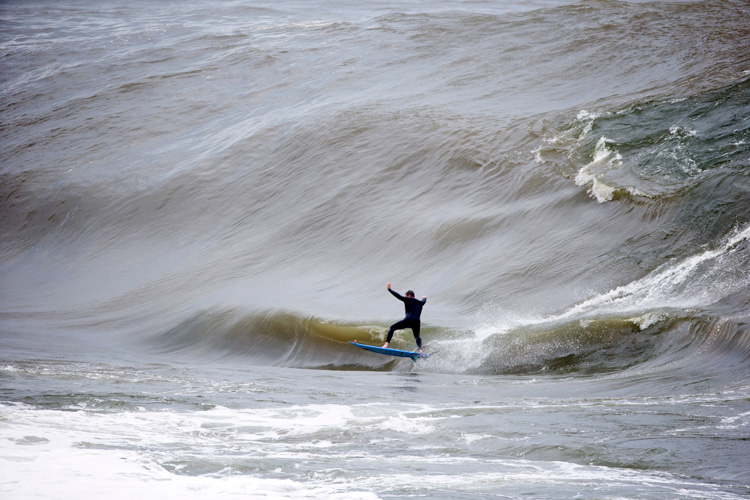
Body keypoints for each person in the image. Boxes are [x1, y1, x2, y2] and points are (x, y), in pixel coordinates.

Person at [382, 282, 427, 353]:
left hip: (408, 320)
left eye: (406, 296)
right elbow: (424, 301)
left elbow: (398, 296)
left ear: (408, 295)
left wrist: (389, 289)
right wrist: (424, 297)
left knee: (392, 328)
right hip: (417, 322)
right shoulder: (420, 303)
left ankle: (386, 344)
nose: (405, 297)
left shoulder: (407, 299)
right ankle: (420, 350)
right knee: (417, 336)